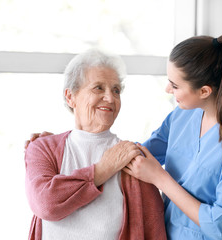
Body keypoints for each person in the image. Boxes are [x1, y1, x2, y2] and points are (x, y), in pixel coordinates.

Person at [123, 34, 222, 239]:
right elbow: (143, 154)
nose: (168, 89)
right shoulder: (183, 113)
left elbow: (220, 226)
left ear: (204, 91)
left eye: (175, 86)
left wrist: (160, 178)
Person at [24, 49, 167, 240]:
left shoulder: (133, 157)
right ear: (70, 97)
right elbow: (46, 205)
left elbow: (154, 230)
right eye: (98, 88)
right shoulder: (42, 148)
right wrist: (102, 170)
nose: (110, 98)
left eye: (116, 90)